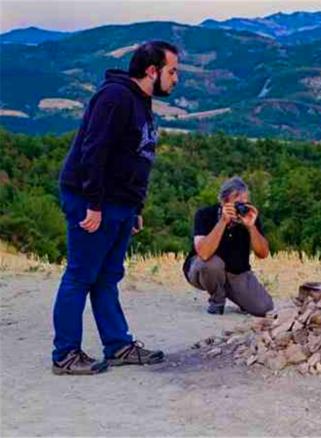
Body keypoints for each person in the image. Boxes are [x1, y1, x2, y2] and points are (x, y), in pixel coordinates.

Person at [52, 41, 179, 375]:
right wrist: (93, 204)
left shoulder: (140, 101)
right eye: (172, 71)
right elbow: (93, 151)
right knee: (80, 276)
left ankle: (118, 345)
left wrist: (135, 206)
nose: (175, 78)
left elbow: (136, 158)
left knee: (107, 277)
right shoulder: (115, 98)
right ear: (152, 71)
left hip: (119, 203)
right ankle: (65, 355)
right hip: (92, 200)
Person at [183, 176, 274, 316]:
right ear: (223, 202)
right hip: (203, 269)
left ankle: (236, 295)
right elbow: (204, 253)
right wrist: (223, 222)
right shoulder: (205, 215)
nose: (241, 208)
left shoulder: (250, 216)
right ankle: (217, 301)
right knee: (212, 264)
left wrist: (251, 227)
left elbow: (263, 253)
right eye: (237, 204)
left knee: (264, 308)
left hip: (236, 272)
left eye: (244, 203)